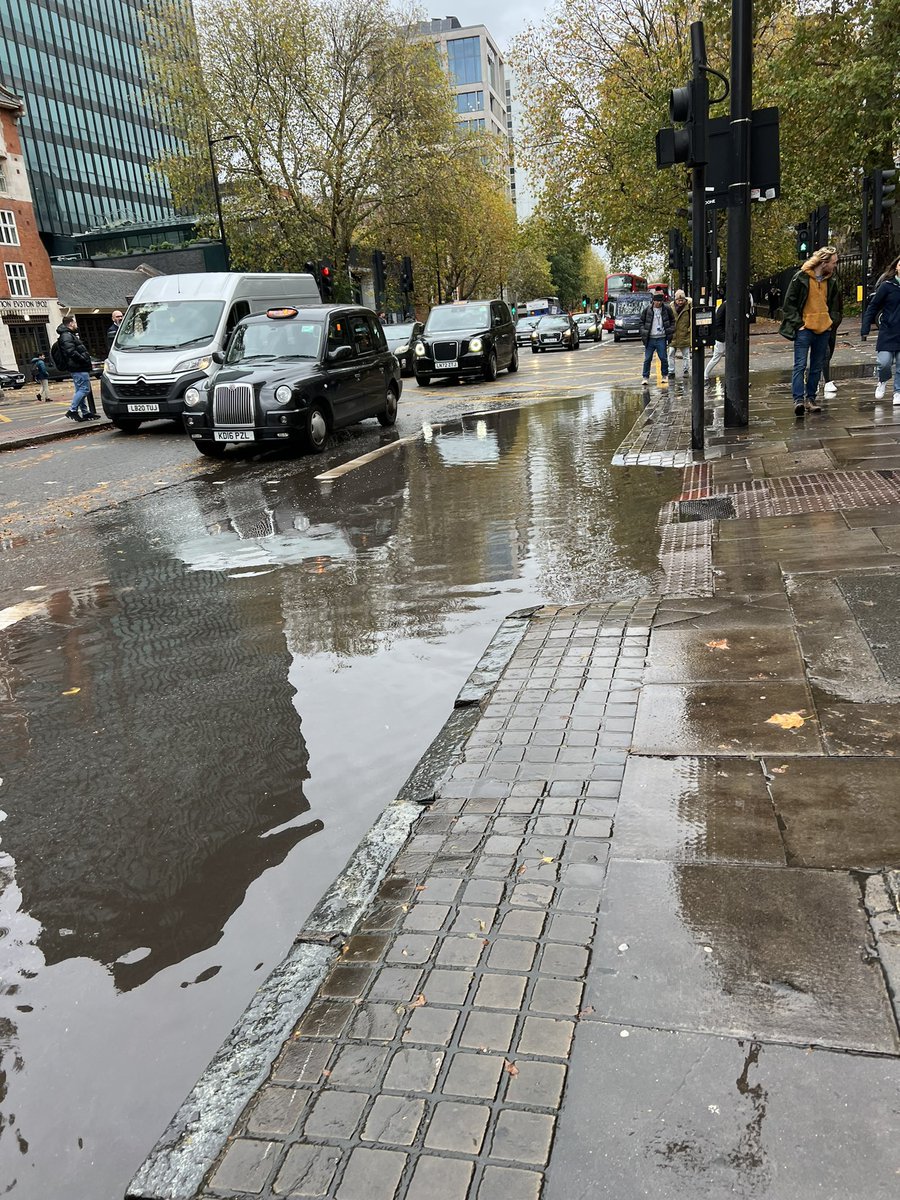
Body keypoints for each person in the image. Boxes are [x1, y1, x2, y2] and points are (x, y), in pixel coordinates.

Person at [779, 246, 840, 417]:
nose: (835, 266)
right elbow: (788, 304)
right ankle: (798, 400)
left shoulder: (832, 281)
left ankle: (810, 399)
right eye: (833, 262)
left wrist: (831, 323)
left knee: (816, 366)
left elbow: (836, 306)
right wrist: (799, 324)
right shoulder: (801, 278)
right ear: (824, 262)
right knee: (800, 365)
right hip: (805, 329)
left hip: (824, 329)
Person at [861, 253, 900, 406]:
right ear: (896, 267)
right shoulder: (887, 286)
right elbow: (873, 306)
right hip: (888, 331)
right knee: (884, 363)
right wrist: (865, 327)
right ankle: (882, 380)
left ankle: (897, 392)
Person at [56, 314, 98, 421]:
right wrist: (83, 359)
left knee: (80, 389)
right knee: (84, 389)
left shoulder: (68, 334)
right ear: (70, 323)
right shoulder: (67, 335)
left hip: (77, 367)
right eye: (74, 323)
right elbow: (70, 351)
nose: (75, 325)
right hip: (78, 367)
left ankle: (85, 412)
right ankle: (72, 410)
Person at [639, 292, 674, 385]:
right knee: (647, 359)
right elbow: (641, 322)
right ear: (653, 301)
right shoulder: (647, 310)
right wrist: (643, 331)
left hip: (661, 337)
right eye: (656, 301)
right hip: (650, 338)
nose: (658, 303)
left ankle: (664, 375)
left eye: (660, 301)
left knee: (663, 358)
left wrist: (670, 330)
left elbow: (672, 320)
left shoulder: (666, 309)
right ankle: (645, 377)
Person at [668, 290, 692, 380]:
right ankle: (671, 371)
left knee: (686, 355)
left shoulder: (689, 306)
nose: (681, 302)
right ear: (675, 299)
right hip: (673, 334)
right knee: (670, 354)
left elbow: (691, 318)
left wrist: (689, 329)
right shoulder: (671, 307)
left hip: (684, 333)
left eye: (682, 300)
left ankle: (686, 371)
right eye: (679, 300)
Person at [704, 301, 727, 380]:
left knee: (716, 357)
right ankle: (705, 374)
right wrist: (723, 337)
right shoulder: (726, 306)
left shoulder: (724, 305)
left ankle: (706, 374)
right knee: (717, 357)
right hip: (722, 337)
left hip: (722, 336)